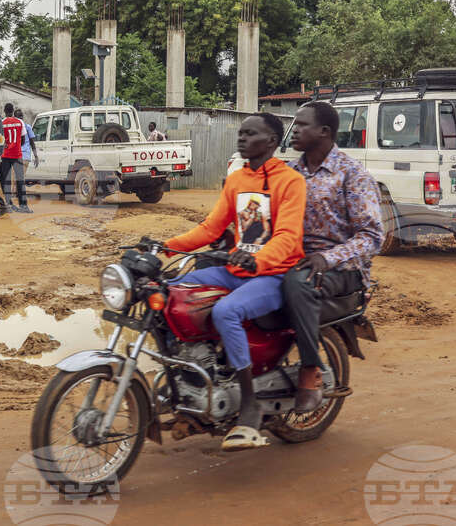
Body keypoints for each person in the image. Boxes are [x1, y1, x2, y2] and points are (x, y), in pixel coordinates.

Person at [164, 113, 306, 451]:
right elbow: (211, 228)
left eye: (250, 134)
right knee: (172, 292)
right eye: (240, 134)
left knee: (225, 311)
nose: (241, 139)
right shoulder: (237, 179)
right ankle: (191, 377)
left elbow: (287, 237)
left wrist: (258, 258)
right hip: (236, 270)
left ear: (271, 141)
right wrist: (167, 246)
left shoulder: (290, 181)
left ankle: (249, 402)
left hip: (273, 275)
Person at [282, 101, 383, 413]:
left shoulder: (351, 174)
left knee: (298, 283)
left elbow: (371, 236)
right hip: (296, 258)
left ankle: (311, 371)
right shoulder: (289, 172)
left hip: (343, 269)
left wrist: (327, 258)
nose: (294, 130)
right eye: (294, 124)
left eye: (302, 125)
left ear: (324, 132)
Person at [0, 103, 32, 213]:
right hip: (17, 155)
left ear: (4, 111)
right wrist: (16, 145)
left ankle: (9, 204)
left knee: (6, 181)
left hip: (5, 155)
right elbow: (23, 139)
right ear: (13, 111)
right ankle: (23, 206)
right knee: (20, 181)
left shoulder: (2, 123)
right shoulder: (20, 122)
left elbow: (0, 141)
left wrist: (6, 146)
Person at [13, 109, 40, 177]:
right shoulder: (26, 127)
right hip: (20, 156)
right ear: (15, 117)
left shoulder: (27, 127)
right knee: (18, 179)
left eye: (21, 116)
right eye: (19, 116)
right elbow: (32, 143)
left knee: (17, 178)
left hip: (22, 156)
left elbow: (32, 143)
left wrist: (36, 156)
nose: (21, 118)